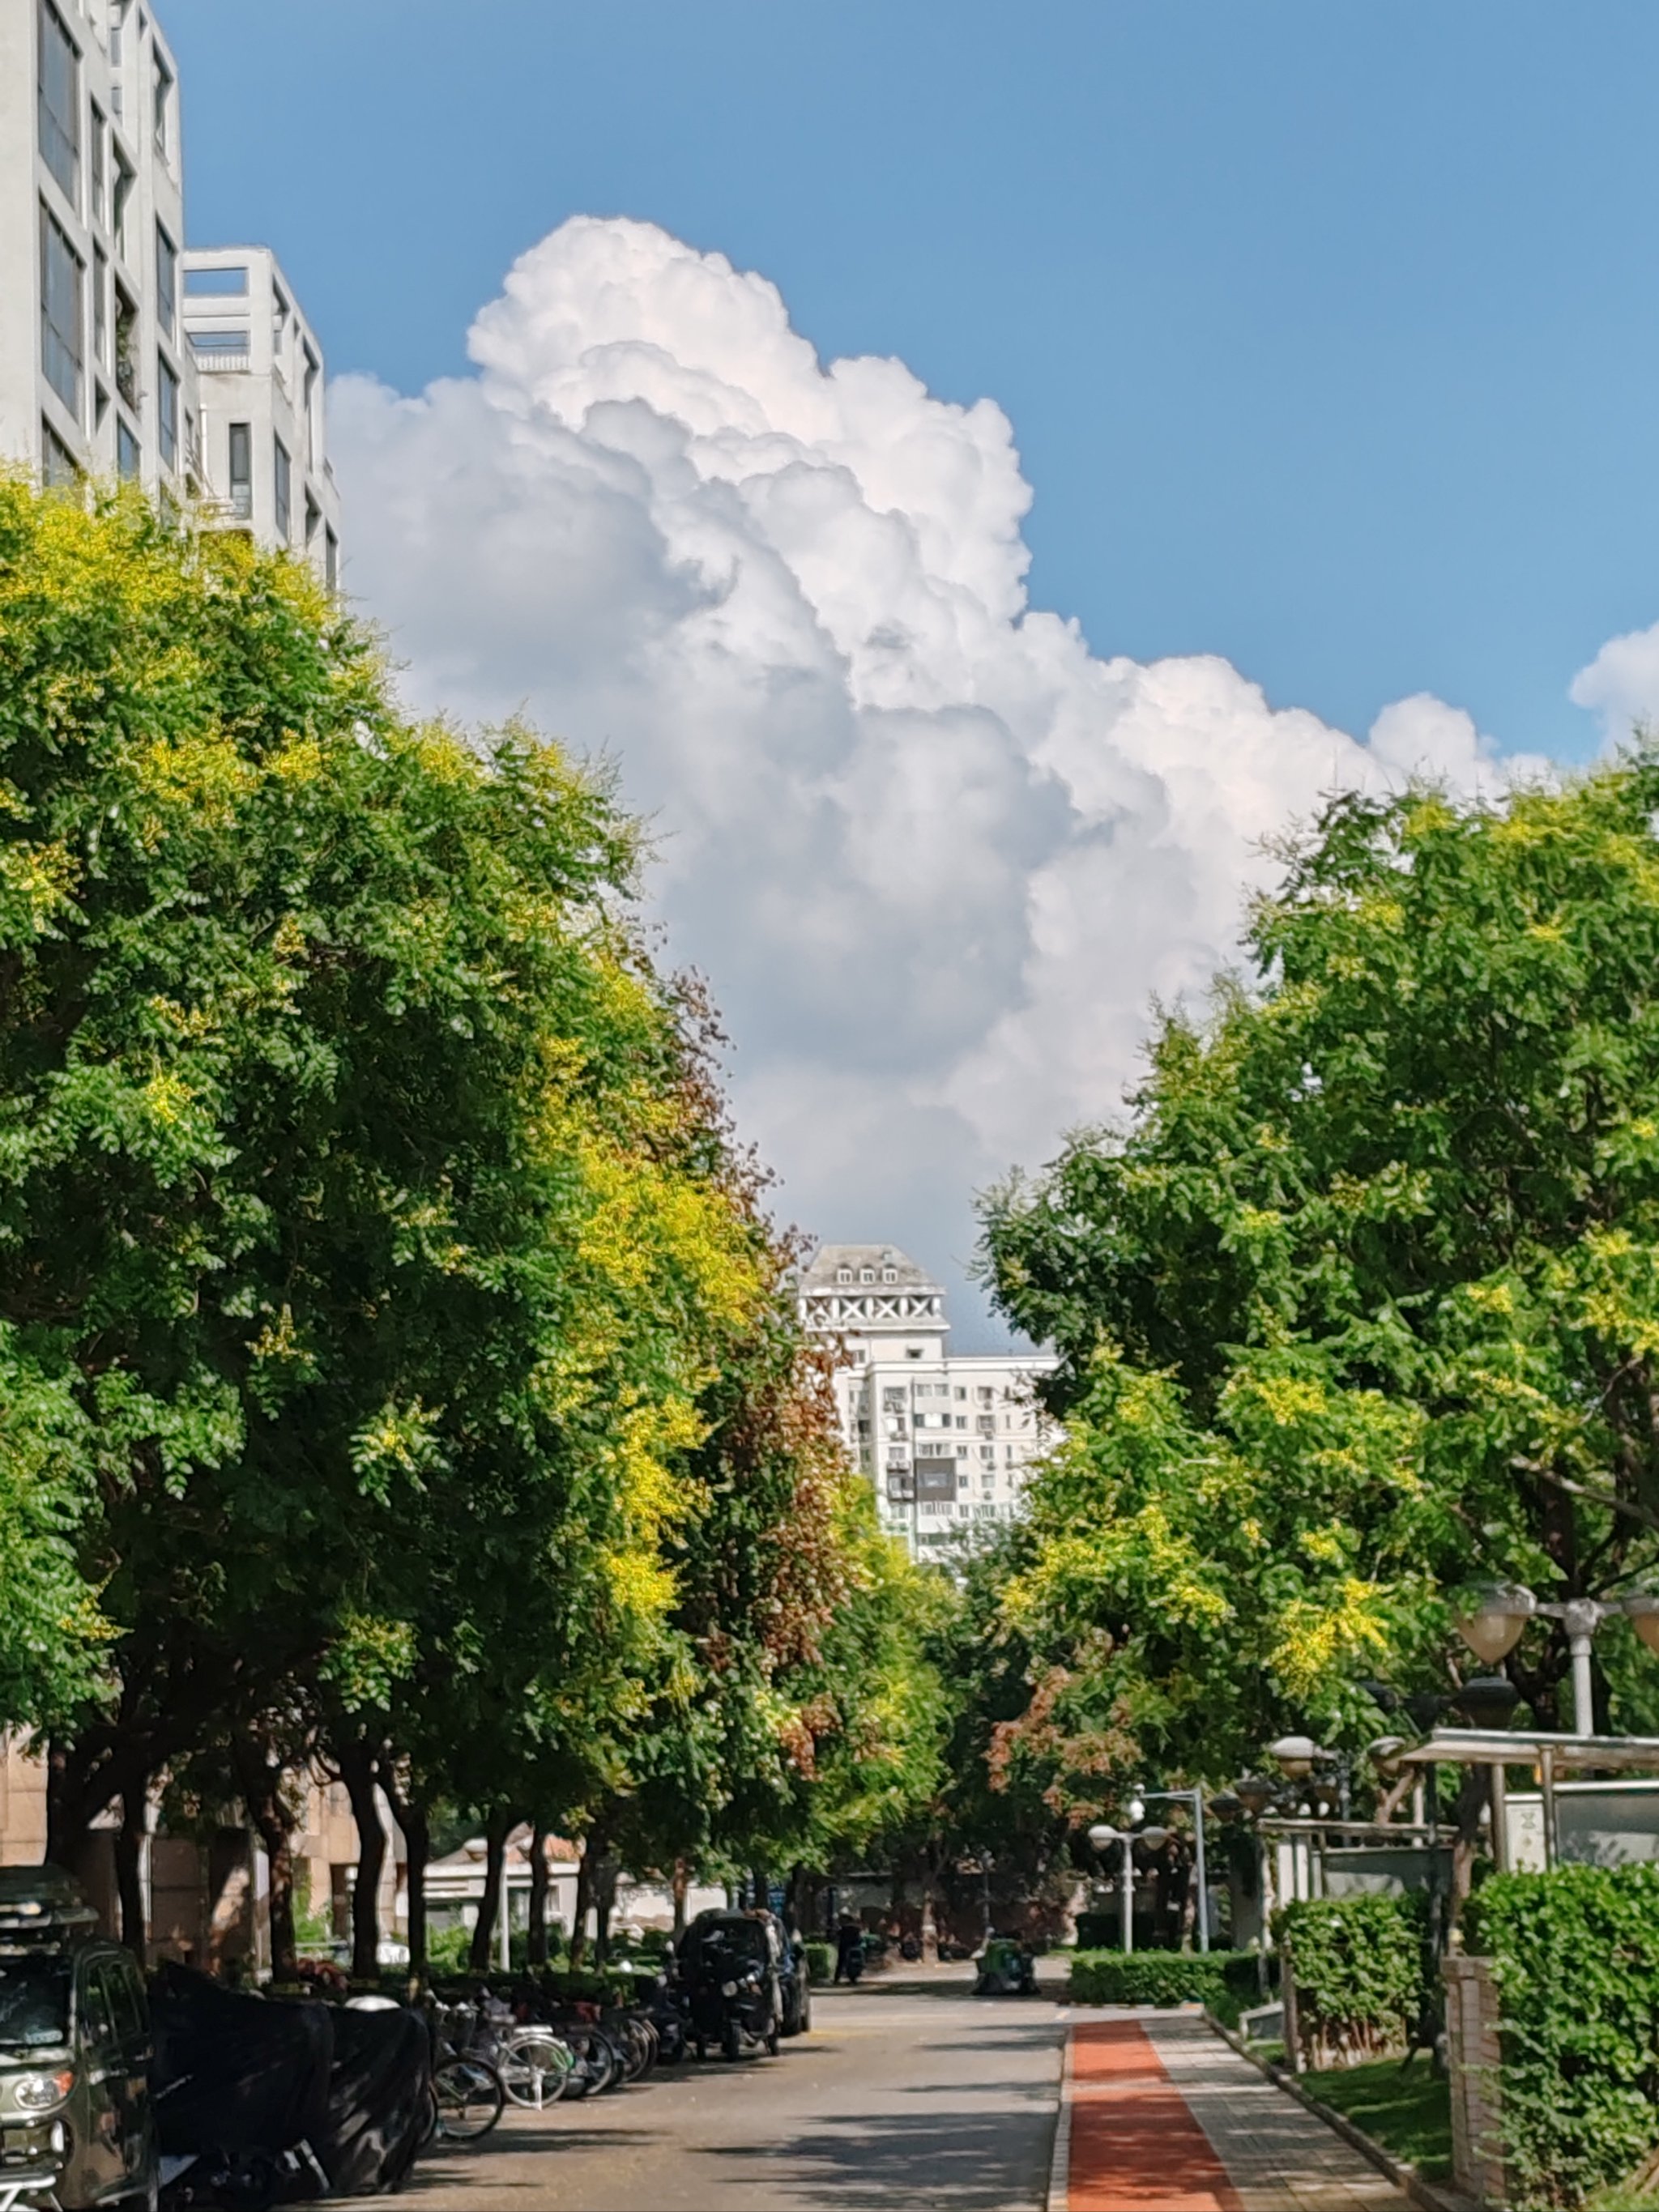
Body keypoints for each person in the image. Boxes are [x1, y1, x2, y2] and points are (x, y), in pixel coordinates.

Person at [834, 1918, 863, 1984]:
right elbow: (860, 1939)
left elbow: (837, 1936)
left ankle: (837, 1979)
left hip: (843, 1947)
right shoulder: (857, 1929)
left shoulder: (843, 1928)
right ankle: (853, 1979)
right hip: (854, 1947)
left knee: (840, 1963)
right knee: (855, 1962)